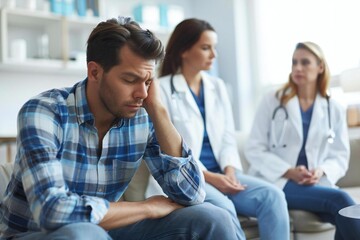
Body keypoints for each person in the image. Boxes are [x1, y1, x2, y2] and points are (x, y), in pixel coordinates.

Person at [0, 17, 238, 240]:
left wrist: (159, 111)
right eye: (130, 80)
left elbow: (193, 195)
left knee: (212, 218)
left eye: (147, 82)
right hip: (37, 234)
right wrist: (146, 208)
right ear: (94, 72)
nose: (142, 94)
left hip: (107, 228)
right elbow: (52, 212)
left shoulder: (143, 114)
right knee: (85, 234)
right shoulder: (44, 112)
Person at [145, 18, 290, 240]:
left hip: (224, 173)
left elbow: (227, 137)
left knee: (273, 196)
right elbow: (170, 148)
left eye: (214, 47)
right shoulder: (161, 89)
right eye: (206, 48)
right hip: (190, 178)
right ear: (184, 51)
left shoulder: (218, 87)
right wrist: (212, 177)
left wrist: (230, 170)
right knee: (223, 207)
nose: (214, 54)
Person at [244, 41, 360, 240]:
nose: (298, 68)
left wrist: (320, 170)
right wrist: (288, 171)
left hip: (315, 182)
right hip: (278, 180)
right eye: (294, 62)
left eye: (305, 62)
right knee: (342, 202)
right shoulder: (272, 100)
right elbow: (254, 148)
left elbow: (340, 156)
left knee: (342, 216)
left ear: (320, 67)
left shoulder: (334, 108)